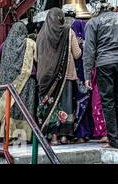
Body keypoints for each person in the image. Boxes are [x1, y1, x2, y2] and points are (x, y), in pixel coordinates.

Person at [83, 0, 118, 149]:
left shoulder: (93, 22)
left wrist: (87, 74)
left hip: (104, 64)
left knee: (108, 101)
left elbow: (89, 50)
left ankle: (114, 140)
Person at [36, 8, 82, 145]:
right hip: (65, 75)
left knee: (50, 105)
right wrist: (78, 44)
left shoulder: (40, 35)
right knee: (65, 105)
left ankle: (53, 137)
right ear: (61, 18)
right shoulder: (68, 31)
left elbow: (36, 58)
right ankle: (64, 136)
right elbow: (77, 54)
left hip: (45, 77)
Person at [0, 22, 37, 142]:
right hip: (27, 82)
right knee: (25, 108)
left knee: (10, 108)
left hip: (8, 84)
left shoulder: (5, 45)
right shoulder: (30, 43)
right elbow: (38, 59)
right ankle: (23, 137)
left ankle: (9, 135)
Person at [67, 7, 94, 143]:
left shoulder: (75, 36)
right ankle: (88, 133)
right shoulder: (88, 42)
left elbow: (76, 54)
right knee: (86, 103)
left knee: (78, 102)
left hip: (78, 75)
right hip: (86, 75)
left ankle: (80, 133)